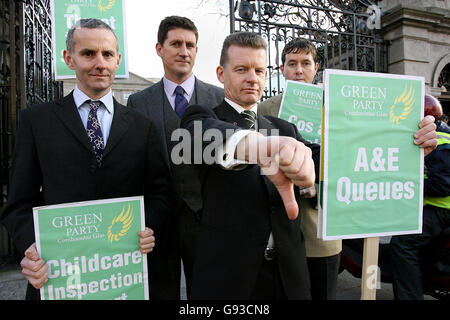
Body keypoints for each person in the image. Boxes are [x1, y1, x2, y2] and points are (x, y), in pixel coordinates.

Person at [180, 32, 437, 300]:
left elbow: (341, 158)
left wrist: (407, 144)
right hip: (229, 281)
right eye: (241, 69)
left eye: (258, 70)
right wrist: (254, 145)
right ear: (221, 73)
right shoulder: (199, 117)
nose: (252, 78)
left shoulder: (284, 129)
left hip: (290, 279)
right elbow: (199, 137)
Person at [0, 18, 170, 300]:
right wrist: (32, 248)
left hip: (124, 279)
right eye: (88, 54)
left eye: (107, 54)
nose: (99, 63)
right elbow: (17, 204)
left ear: (118, 60)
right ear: (69, 58)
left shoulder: (143, 127)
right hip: (57, 279)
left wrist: (149, 225)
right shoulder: (36, 122)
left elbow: (161, 194)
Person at [127, 16, 223, 299]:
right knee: (161, 292)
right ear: (160, 48)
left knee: (206, 293)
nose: (184, 51)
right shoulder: (138, 102)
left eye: (191, 45)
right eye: (176, 43)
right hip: (158, 221)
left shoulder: (218, 97)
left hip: (205, 218)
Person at [258, 38, 342, 300]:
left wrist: (312, 188)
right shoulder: (265, 109)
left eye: (306, 63)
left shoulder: (336, 108)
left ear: (316, 67)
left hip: (320, 231)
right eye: (291, 63)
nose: (298, 70)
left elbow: (346, 163)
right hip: (280, 232)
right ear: (282, 69)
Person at [390, 97, 450, 300]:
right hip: (438, 206)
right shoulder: (444, 133)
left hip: (441, 208)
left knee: (402, 244)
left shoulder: (436, 138)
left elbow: (442, 185)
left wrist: (406, 187)